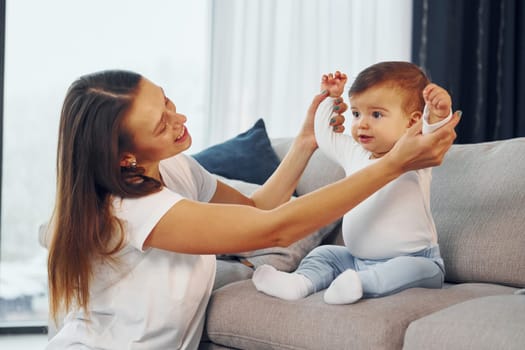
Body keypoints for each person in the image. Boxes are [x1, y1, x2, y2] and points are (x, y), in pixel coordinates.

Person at [45, 69, 459, 349]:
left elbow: (257, 206)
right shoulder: (132, 211)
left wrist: (304, 143)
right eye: (161, 124)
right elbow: (273, 230)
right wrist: (393, 164)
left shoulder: (173, 166)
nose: (180, 117)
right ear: (124, 159)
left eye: (168, 103)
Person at [252, 62, 454, 305]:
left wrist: (439, 113)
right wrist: (330, 98)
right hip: (355, 259)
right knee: (324, 254)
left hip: (416, 259)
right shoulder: (354, 152)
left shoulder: (415, 154)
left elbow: (435, 135)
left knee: (404, 270)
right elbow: (325, 136)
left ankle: (360, 284)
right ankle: (299, 282)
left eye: (376, 114)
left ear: (412, 123)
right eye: (356, 113)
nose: (362, 124)